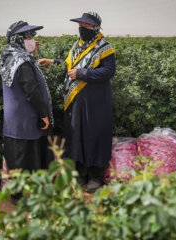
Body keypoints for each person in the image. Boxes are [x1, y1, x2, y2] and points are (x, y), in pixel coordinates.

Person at [38, 12, 116, 193]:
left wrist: (83, 74)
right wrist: (53, 61)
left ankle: (95, 176)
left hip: (96, 103)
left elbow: (109, 71)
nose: (82, 28)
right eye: (81, 25)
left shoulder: (105, 48)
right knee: (78, 134)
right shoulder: (78, 45)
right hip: (77, 102)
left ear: (95, 28)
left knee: (94, 136)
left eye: (86, 26)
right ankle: (81, 172)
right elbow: (70, 64)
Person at [0, 21, 54, 204]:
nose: (32, 40)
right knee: (25, 157)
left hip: (16, 119)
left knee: (18, 156)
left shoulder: (10, 55)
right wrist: (43, 113)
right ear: (18, 39)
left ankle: (18, 194)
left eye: (32, 36)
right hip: (26, 117)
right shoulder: (21, 62)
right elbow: (31, 90)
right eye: (28, 37)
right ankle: (20, 197)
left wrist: (32, 53)